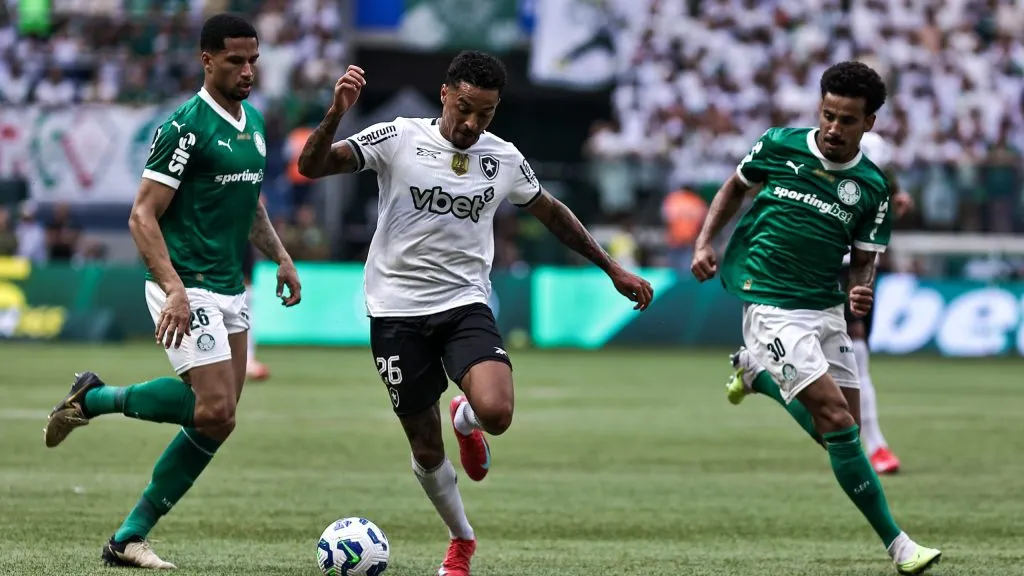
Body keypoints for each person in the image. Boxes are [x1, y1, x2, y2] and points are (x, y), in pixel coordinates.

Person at [296, 51, 653, 576]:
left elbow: (551, 212)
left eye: (484, 114)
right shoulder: (397, 137)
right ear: (445, 94)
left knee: (498, 413)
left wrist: (612, 268)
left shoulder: (503, 158)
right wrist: (336, 113)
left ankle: (466, 416)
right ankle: (461, 540)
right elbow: (311, 166)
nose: (470, 123)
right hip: (395, 312)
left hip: (464, 304)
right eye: (464, 108)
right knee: (423, 444)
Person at [42, 14, 301, 569]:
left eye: (253, 59)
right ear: (207, 60)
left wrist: (280, 256)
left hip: (230, 288)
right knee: (212, 406)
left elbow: (249, 204)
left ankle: (127, 536)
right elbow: (142, 215)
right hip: (186, 285)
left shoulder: (252, 122)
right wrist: (174, 287)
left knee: (220, 419)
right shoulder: (185, 127)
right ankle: (94, 400)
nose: (248, 70)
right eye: (235, 60)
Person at [691, 61, 940, 575]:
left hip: (825, 307)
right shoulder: (779, 144)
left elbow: (866, 255)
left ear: (868, 123)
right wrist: (703, 240)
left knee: (834, 434)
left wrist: (862, 289)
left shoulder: (872, 188)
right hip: (769, 302)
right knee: (837, 420)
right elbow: (734, 188)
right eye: (827, 115)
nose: (833, 128)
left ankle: (756, 375)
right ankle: (899, 545)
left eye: (847, 120)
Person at [727, 130, 915, 475]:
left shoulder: (873, 168)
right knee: (856, 358)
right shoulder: (811, 157)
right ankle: (877, 447)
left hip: (854, 268)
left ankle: (761, 376)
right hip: (821, 273)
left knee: (856, 363)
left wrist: (898, 195)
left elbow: (885, 188)